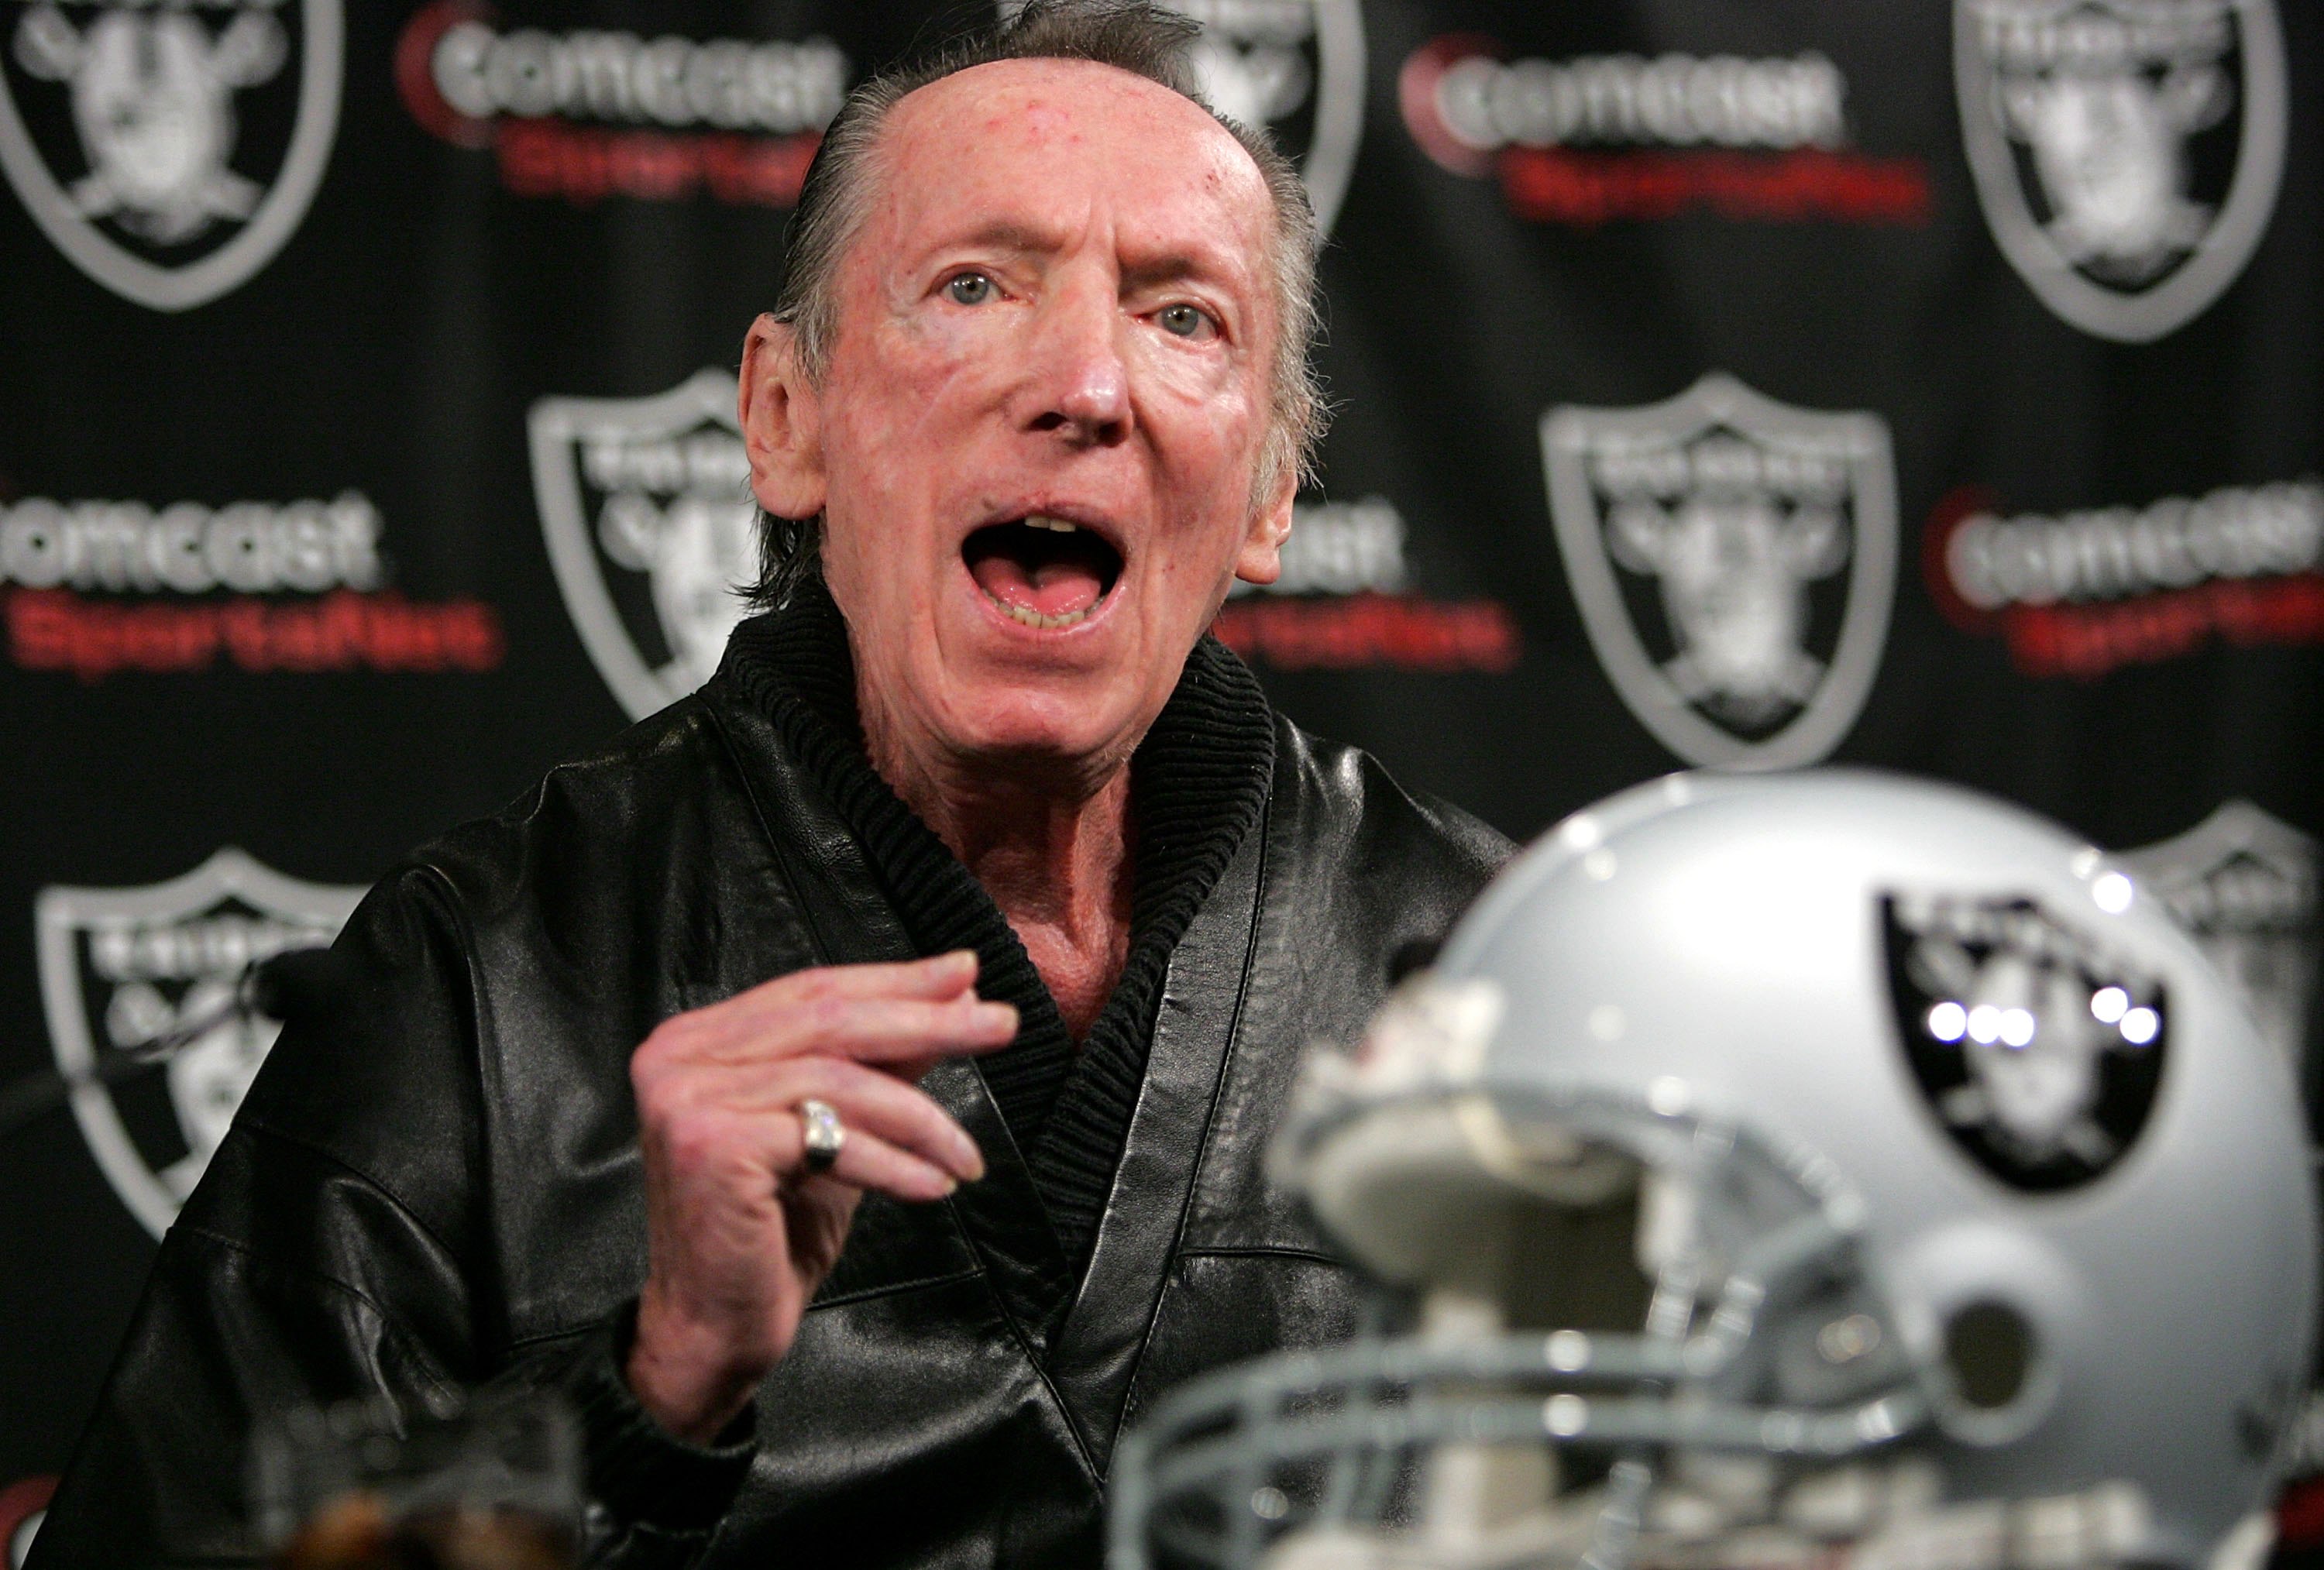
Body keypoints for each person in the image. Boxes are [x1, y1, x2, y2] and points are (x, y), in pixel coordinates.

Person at [29, 5, 1509, 1566]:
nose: (1087, 382)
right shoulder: (487, 981)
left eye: (1184, 318)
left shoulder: (1479, 958)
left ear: (1273, 490)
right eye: (976, 286)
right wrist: (648, 1393)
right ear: (785, 420)